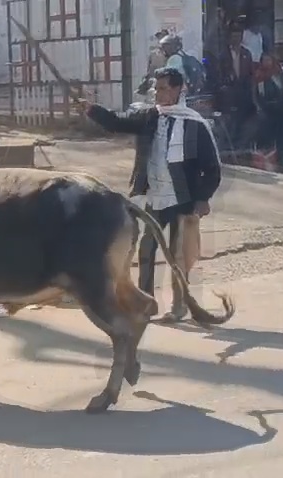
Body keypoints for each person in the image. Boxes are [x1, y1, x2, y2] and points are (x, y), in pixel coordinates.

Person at [80, 67, 222, 321]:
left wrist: (203, 198)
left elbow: (211, 167)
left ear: (178, 90)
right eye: (157, 88)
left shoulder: (194, 124)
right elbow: (117, 122)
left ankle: (179, 306)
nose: (158, 93)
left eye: (164, 88)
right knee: (146, 250)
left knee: (179, 255)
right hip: (155, 196)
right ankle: (145, 303)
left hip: (183, 198)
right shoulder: (149, 116)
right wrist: (93, 110)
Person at [251, 53, 283, 162]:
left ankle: (282, 156)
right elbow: (257, 94)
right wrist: (259, 107)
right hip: (267, 111)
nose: (267, 63)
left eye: (269, 60)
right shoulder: (259, 76)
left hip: (281, 110)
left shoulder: (279, 74)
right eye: (264, 60)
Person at [220, 29, 254, 147]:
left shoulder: (246, 53)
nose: (236, 39)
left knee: (243, 119)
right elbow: (220, 72)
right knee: (230, 119)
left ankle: (241, 143)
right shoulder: (223, 54)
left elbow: (250, 73)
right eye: (234, 36)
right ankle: (230, 144)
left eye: (238, 36)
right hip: (229, 91)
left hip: (244, 91)